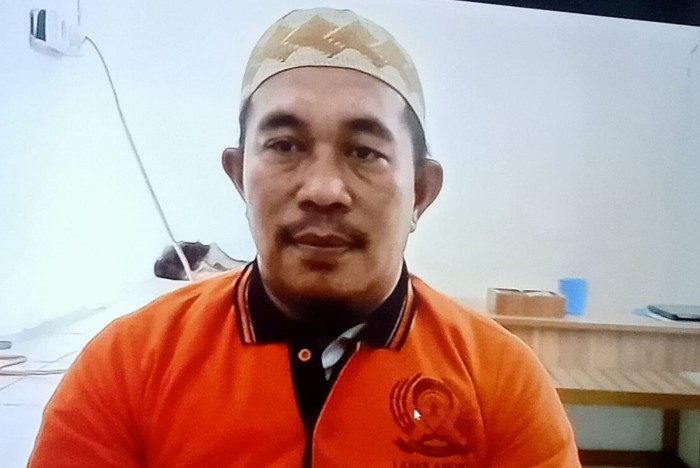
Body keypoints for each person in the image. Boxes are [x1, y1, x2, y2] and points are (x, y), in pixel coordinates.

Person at [29, 7, 580, 467]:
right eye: (285, 146)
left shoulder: (501, 383)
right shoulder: (127, 367)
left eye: (364, 151)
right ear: (238, 176)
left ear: (420, 191)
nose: (323, 190)